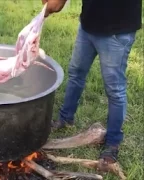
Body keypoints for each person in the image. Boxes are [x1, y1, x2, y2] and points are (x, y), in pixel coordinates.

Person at [42, 0, 142, 169]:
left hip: (116, 32)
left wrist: (52, 6)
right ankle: (66, 118)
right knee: (76, 73)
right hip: (88, 26)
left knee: (115, 89)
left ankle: (112, 142)